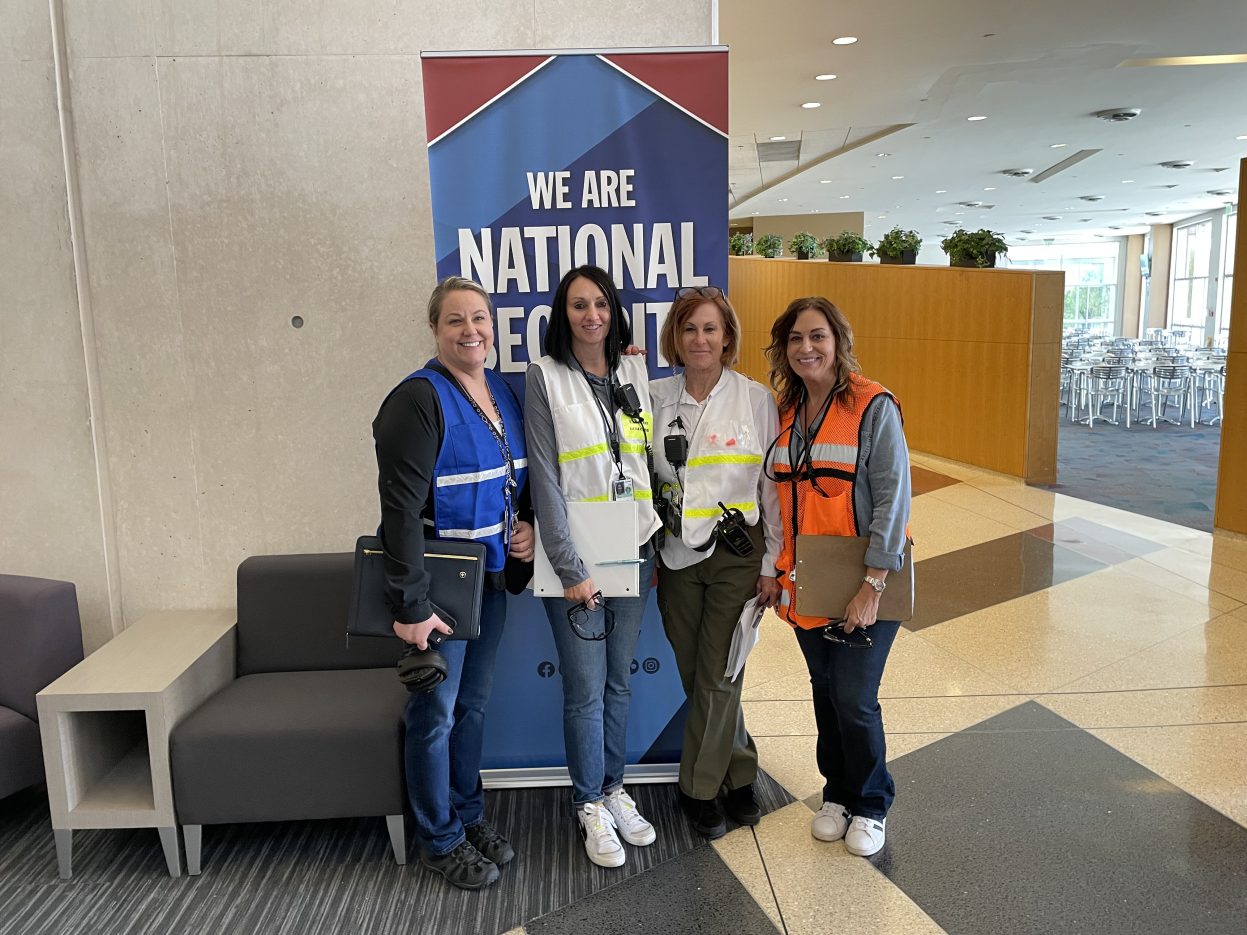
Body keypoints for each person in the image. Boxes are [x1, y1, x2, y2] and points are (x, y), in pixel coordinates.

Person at [372, 276, 535, 890]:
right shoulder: (417, 399)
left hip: (489, 578)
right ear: (435, 330)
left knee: (471, 707)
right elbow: (400, 513)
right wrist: (409, 605)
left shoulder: (499, 389)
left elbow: (510, 478)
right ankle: (439, 838)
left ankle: (467, 817)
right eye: (456, 321)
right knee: (434, 714)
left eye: (481, 319)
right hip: (438, 590)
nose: (472, 331)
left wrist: (527, 529)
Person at [762, 296, 911, 858]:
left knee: (854, 697)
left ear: (838, 341)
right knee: (825, 692)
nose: (807, 348)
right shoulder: (784, 409)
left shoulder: (873, 406)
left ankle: (872, 802)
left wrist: (873, 583)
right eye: (796, 339)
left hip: (863, 579)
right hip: (807, 580)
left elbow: (893, 497)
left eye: (817, 336)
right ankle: (838, 794)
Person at [524, 264, 660, 869]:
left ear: (614, 310)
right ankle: (587, 803)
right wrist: (569, 564)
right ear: (563, 314)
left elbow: (645, 454)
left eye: (600, 303)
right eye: (578, 305)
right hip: (575, 557)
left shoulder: (634, 366)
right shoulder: (544, 377)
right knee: (583, 690)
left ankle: (613, 788)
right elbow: (546, 480)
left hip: (635, 546)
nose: (591, 315)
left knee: (618, 683)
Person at [649, 286, 782, 839]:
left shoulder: (755, 399)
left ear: (727, 337)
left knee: (721, 673)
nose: (699, 339)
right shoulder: (653, 396)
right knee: (697, 674)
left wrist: (773, 561)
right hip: (677, 556)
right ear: (675, 338)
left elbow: (771, 487)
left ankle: (699, 789)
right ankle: (740, 766)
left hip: (738, 554)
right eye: (689, 329)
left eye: (710, 328)